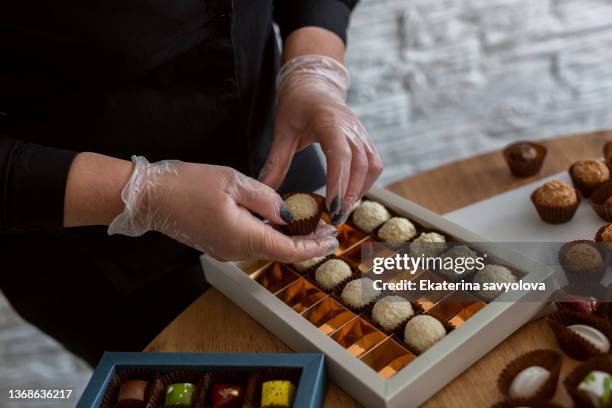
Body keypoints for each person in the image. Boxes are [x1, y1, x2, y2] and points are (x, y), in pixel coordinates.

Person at [0, 0, 382, 366]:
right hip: (104, 251)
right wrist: (145, 194)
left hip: (277, 161)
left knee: (386, 327)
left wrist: (314, 70)